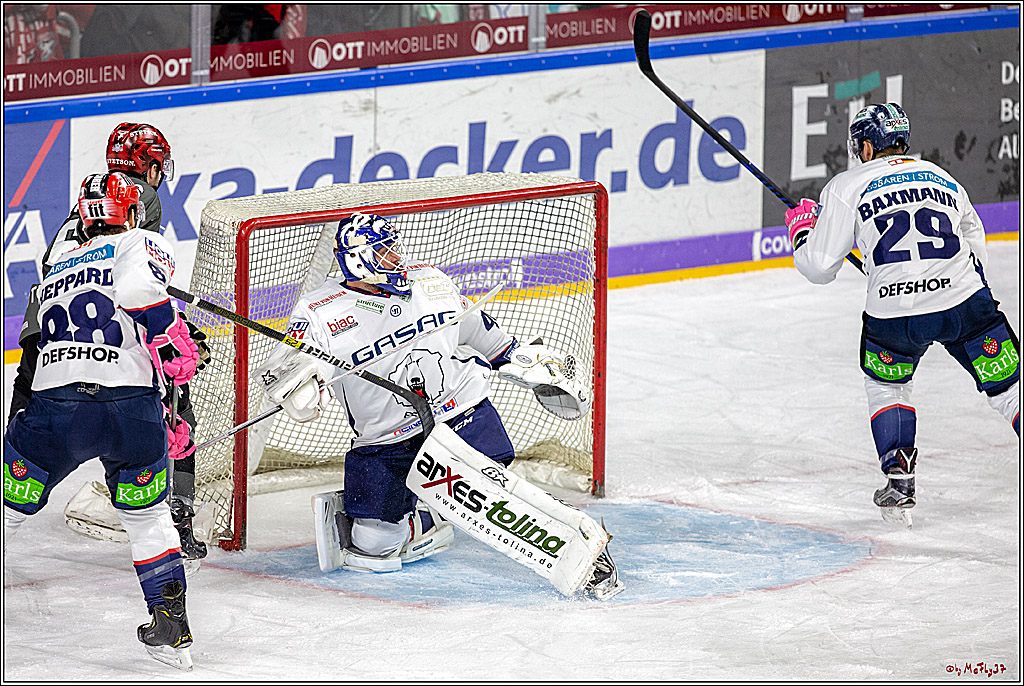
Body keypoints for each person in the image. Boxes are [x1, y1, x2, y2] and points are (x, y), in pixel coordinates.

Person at [253, 213, 623, 599]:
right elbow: (283, 368)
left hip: (459, 411)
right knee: (372, 549)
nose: (396, 256)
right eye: (383, 250)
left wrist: (521, 359)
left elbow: (477, 328)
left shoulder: (429, 280)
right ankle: (422, 517)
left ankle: (572, 539)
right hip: (387, 436)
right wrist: (299, 385)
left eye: (393, 246)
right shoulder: (319, 312)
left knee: (487, 491)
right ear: (357, 260)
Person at [785, 102, 1020, 526]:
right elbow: (973, 239)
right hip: (965, 302)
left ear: (867, 146)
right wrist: (959, 286)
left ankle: (899, 477)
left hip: (894, 315)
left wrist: (803, 231)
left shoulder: (846, 186)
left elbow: (819, 267)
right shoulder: (942, 177)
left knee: (886, 385)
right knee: (1011, 388)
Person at [3, 172, 201, 670]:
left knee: (7, 506)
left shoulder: (58, 263)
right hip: (130, 412)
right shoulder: (141, 242)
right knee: (149, 517)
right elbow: (137, 292)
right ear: (131, 214)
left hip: (58, 409)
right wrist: (170, 338)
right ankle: (171, 628)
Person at [8, 122, 210, 562]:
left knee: (28, 408)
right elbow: (137, 280)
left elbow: (57, 264)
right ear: (148, 164)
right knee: (176, 406)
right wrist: (176, 329)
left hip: (48, 321)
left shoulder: (93, 197)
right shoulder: (141, 197)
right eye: (158, 163)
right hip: (104, 325)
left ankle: (16, 484)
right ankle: (177, 518)